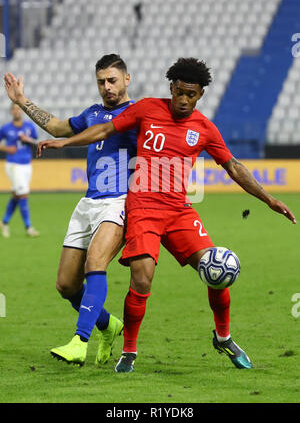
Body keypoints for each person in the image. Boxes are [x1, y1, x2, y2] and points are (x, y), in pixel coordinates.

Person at [34, 58, 297, 373]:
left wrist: (269, 199)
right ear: (171, 87)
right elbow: (104, 128)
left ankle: (224, 337)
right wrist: (66, 143)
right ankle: (129, 351)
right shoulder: (146, 109)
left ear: (200, 95)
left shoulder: (204, 128)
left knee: (215, 270)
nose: (184, 100)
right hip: (142, 208)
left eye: (192, 94)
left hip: (178, 211)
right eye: (180, 92)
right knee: (142, 277)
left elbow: (234, 167)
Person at [4, 54, 137, 366]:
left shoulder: (137, 114)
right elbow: (59, 127)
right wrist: (23, 101)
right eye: (101, 82)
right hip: (88, 202)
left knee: (95, 263)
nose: (107, 87)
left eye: (113, 80)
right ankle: (109, 325)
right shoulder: (91, 113)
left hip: (118, 202)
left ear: (126, 79)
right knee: (66, 285)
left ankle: (80, 341)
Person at [0, 102, 40, 238]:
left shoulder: (29, 127)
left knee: (17, 195)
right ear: (11, 112)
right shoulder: (6, 128)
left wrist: (27, 139)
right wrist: (7, 148)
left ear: (22, 111)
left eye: (19, 109)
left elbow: (36, 143)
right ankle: (28, 227)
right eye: (14, 109)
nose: (17, 111)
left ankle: (4, 222)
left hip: (26, 164)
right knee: (23, 194)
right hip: (13, 164)